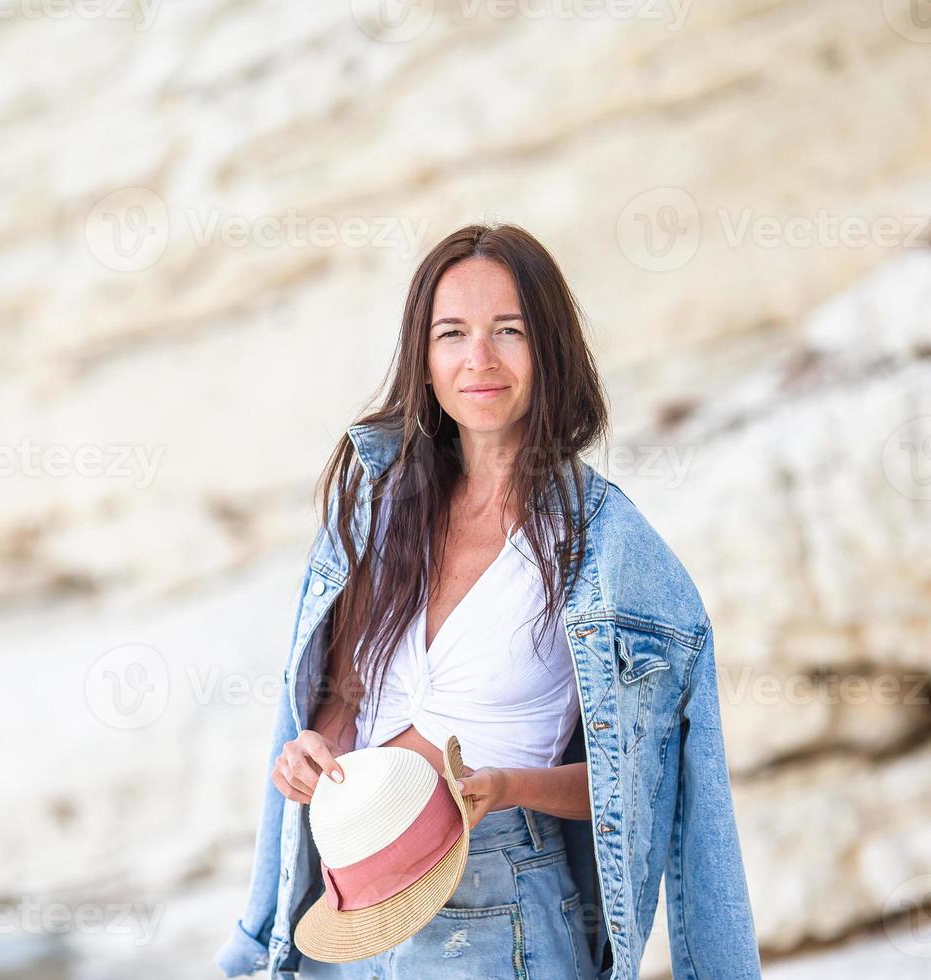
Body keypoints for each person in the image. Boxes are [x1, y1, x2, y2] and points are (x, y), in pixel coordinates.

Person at [214, 224, 760, 980]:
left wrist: (506, 789)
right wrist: (318, 749)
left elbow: (639, 784)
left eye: (510, 331)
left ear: (550, 351)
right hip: (360, 888)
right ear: (425, 360)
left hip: (503, 900)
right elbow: (347, 691)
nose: (480, 359)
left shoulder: (604, 543)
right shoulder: (382, 509)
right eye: (453, 334)